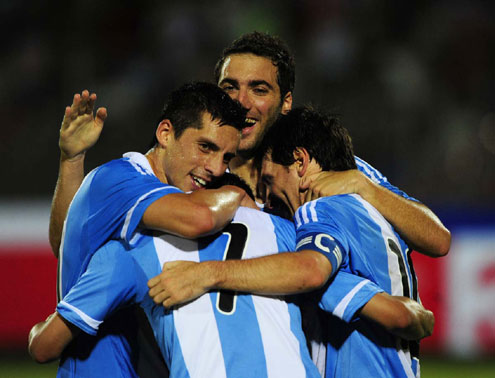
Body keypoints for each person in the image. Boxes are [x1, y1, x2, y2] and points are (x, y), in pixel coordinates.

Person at [30, 174, 429, 378]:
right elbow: (400, 317)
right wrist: (418, 315)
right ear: (250, 199)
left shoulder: (133, 250)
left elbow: (45, 346)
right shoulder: (288, 238)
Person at [147, 107, 434, 377]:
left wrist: (206, 273)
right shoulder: (377, 211)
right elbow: (416, 318)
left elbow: (310, 270)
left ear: (300, 161)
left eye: (270, 181)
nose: (270, 198)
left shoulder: (318, 210)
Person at [46, 82, 252, 377]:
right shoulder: (121, 179)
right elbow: (200, 218)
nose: (216, 168)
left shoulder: (171, 193)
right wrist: (240, 192)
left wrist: (71, 160)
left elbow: (65, 240)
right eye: (205, 147)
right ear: (165, 133)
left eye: (226, 158)